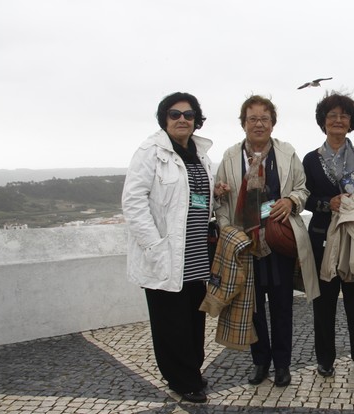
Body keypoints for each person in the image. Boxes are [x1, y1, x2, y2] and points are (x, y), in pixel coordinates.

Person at [214, 95, 319, 387]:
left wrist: (291, 200)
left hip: (277, 241)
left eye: (264, 118)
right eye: (252, 119)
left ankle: (282, 364)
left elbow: (303, 189)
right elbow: (220, 201)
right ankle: (260, 361)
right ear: (243, 124)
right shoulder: (230, 157)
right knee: (253, 306)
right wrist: (226, 225)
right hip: (245, 243)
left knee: (282, 306)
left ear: (273, 123)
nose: (258, 124)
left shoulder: (286, 152)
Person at [122, 92, 213, 403]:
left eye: (188, 114)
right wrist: (154, 246)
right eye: (175, 114)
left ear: (196, 120)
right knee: (170, 323)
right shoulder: (150, 152)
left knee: (193, 320)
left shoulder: (199, 153)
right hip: (165, 254)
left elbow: (192, 196)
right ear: (164, 119)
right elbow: (133, 203)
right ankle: (182, 380)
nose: (182, 119)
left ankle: (192, 369)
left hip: (195, 253)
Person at [302, 92, 354, 377]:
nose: (338, 120)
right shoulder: (311, 160)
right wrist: (329, 203)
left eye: (344, 115)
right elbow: (305, 198)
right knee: (324, 303)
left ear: (351, 122)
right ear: (323, 122)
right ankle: (325, 359)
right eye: (332, 115)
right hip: (323, 238)